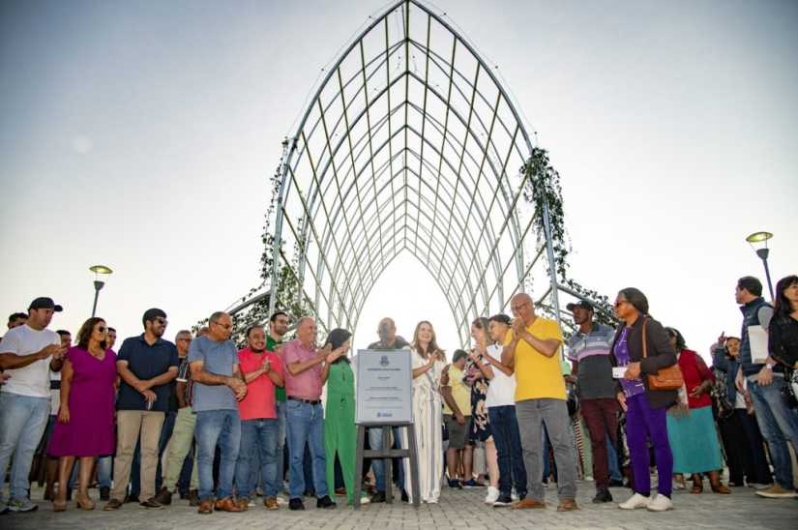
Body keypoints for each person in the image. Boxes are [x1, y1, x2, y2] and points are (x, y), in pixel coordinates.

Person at [501, 293, 577, 512]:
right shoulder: (511, 334)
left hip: (552, 395)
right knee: (529, 448)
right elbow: (506, 363)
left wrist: (524, 333)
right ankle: (534, 495)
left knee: (561, 444)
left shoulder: (549, 325)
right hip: (524, 397)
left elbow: (548, 350)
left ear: (531, 305)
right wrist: (514, 337)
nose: (518, 312)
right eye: (514, 309)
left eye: (521, 307)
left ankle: (568, 496)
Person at [104, 308, 179, 511]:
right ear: (148, 323)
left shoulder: (169, 347)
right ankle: (117, 495)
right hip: (129, 404)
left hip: (157, 406)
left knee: (150, 452)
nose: (164, 326)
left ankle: (146, 495)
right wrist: (139, 386)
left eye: (165, 323)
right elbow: (121, 367)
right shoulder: (130, 343)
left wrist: (149, 384)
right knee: (125, 450)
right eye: (160, 322)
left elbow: (173, 372)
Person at [609, 288, 677, 512]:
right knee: (635, 443)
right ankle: (642, 492)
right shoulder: (620, 329)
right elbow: (618, 362)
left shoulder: (650, 325)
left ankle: (665, 494)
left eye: (619, 303)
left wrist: (642, 366)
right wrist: (618, 389)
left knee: (659, 441)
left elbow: (668, 356)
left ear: (633, 304)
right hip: (630, 396)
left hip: (650, 393)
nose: (615, 306)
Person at [0, 297, 66, 514]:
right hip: (16, 395)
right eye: (46, 312)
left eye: (52, 313)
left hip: (42, 398)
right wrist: (40, 354)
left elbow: (54, 367)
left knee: (27, 450)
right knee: (6, 446)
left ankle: (18, 496)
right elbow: (5, 361)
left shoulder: (53, 336)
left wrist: (57, 358)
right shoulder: (15, 334)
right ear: (33, 311)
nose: (49, 316)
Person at [734, 276, 798, 499]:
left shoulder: (762, 310)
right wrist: (743, 371)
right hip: (755, 378)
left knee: (790, 429)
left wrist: (769, 367)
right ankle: (784, 482)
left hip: (771, 377)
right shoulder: (749, 313)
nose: (735, 293)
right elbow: (751, 345)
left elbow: (778, 341)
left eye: (737, 289)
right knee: (771, 434)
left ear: (745, 290)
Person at [48, 318, 117, 511]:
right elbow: (66, 380)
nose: (104, 332)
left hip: (101, 410)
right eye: (100, 328)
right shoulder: (75, 353)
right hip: (76, 407)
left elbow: (113, 383)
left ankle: (83, 493)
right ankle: (61, 493)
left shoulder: (111, 355)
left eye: (106, 328)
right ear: (89, 331)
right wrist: (64, 406)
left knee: (91, 452)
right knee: (68, 451)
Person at [189, 311, 248, 514]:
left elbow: (235, 372)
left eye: (231, 326)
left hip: (231, 408)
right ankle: (206, 498)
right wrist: (227, 381)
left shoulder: (231, 346)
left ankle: (223, 497)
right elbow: (196, 373)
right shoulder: (198, 344)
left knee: (231, 454)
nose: (230, 330)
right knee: (206, 455)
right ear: (213, 325)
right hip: (208, 408)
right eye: (226, 326)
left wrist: (240, 384)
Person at [565, 300, 619, 504]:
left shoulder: (606, 332)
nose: (575, 313)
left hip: (610, 393)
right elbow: (575, 368)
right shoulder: (573, 340)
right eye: (573, 311)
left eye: (579, 310)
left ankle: (633, 481)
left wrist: (619, 386)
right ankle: (602, 488)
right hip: (587, 397)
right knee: (597, 441)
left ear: (590, 312)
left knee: (617, 437)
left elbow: (618, 358)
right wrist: (573, 388)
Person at [664, 327, 729, 494]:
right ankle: (696, 481)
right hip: (675, 407)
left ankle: (715, 480)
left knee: (707, 441)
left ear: (675, 338)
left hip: (698, 403)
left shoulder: (691, 355)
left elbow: (709, 377)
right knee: (685, 444)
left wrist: (702, 387)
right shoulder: (661, 360)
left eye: (667, 336)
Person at [283, 316, 339, 511]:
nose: (314, 331)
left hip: (316, 407)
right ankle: (295, 496)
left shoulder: (316, 352)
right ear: (299, 330)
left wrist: (328, 362)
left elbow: (321, 381)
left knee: (319, 454)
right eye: (310, 328)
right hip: (297, 407)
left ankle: (322, 495)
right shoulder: (291, 347)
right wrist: (319, 358)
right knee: (297, 454)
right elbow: (294, 369)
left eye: (315, 329)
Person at [477, 314, 527, 507]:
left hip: (513, 402)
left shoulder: (515, 344)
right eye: (489, 327)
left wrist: (487, 356)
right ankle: (505, 490)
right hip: (494, 403)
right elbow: (490, 375)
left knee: (516, 448)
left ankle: (522, 489)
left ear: (506, 327)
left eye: (493, 326)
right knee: (502, 451)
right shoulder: (489, 349)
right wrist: (479, 359)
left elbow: (508, 370)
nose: (490, 331)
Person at [234, 325, 284, 510]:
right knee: (244, 458)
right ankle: (242, 496)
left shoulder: (272, 357)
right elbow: (239, 380)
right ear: (247, 339)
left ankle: (270, 496)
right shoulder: (239, 356)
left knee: (270, 458)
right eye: (255, 336)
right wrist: (261, 371)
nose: (260, 340)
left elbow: (281, 382)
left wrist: (269, 370)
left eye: (262, 336)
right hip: (245, 417)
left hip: (269, 417)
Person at [712, 335, 772, 488]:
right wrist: (719, 345)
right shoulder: (731, 364)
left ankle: (763, 477)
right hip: (738, 409)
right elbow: (718, 362)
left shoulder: (750, 361)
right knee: (743, 443)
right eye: (729, 345)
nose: (733, 347)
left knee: (756, 442)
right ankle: (751, 477)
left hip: (753, 407)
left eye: (736, 344)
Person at [366, 317, 409, 503]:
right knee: (376, 447)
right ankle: (382, 488)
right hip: (376, 405)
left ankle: (406, 487)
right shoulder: (372, 348)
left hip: (399, 404)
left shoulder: (404, 347)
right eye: (381, 328)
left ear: (394, 329)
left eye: (387, 327)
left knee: (402, 446)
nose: (384, 331)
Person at [402, 321, 446, 504]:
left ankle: (432, 490)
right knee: (413, 443)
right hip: (413, 399)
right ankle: (415, 491)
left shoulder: (439, 354)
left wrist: (443, 377)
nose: (426, 333)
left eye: (429, 330)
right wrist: (429, 365)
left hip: (432, 401)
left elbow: (440, 381)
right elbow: (407, 374)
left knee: (432, 445)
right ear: (416, 332)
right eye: (423, 329)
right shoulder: (408, 351)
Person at [155, 330, 200, 506]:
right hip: (187, 411)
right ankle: (168, 489)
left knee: (201, 454)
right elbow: (179, 387)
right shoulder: (188, 361)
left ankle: (195, 489)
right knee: (177, 451)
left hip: (207, 414)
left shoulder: (216, 361)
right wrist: (183, 406)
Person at [322, 328, 360, 505]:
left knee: (349, 451)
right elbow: (320, 381)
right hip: (330, 408)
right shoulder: (323, 358)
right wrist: (328, 360)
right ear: (338, 342)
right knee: (329, 452)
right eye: (346, 342)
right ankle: (328, 494)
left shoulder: (351, 363)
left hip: (350, 409)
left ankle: (353, 494)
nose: (348, 345)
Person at [466, 317, 500, 504]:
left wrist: (479, 367)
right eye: (471, 330)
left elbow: (494, 374)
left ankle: (502, 484)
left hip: (495, 398)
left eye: (475, 330)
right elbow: (467, 375)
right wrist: (470, 377)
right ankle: (494, 485)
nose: (473, 333)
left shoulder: (494, 349)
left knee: (499, 442)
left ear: (485, 330)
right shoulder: (472, 352)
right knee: (489, 443)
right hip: (478, 401)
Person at [39, 330, 71, 502]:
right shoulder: (48, 360)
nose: (68, 343)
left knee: (55, 452)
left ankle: (51, 488)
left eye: (70, 340)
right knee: (35, 452)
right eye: (64, 340)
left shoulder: (72, 361)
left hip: (60, 413)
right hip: (44, 409)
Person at [267, 312, 290, 502]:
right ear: (271, 323)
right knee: (267, 445)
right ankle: (269, 486)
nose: (285, 325)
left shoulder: (287, 347)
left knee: (279, 446)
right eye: (281, 321)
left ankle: (276, 484)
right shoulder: (261, 341)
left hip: (284, 400)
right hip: (267, 400)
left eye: (287, 322)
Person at [441, 349, 471, 489]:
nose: (467, 363)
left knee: (461, 446)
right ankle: (452, 477)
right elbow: (446, 392)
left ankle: (461, 476)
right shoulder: (450, 371)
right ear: (462, 359)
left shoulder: (461, 373)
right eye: (466, 360)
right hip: (455, 416)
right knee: (453, 446)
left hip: (465, 415)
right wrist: (457, 413)